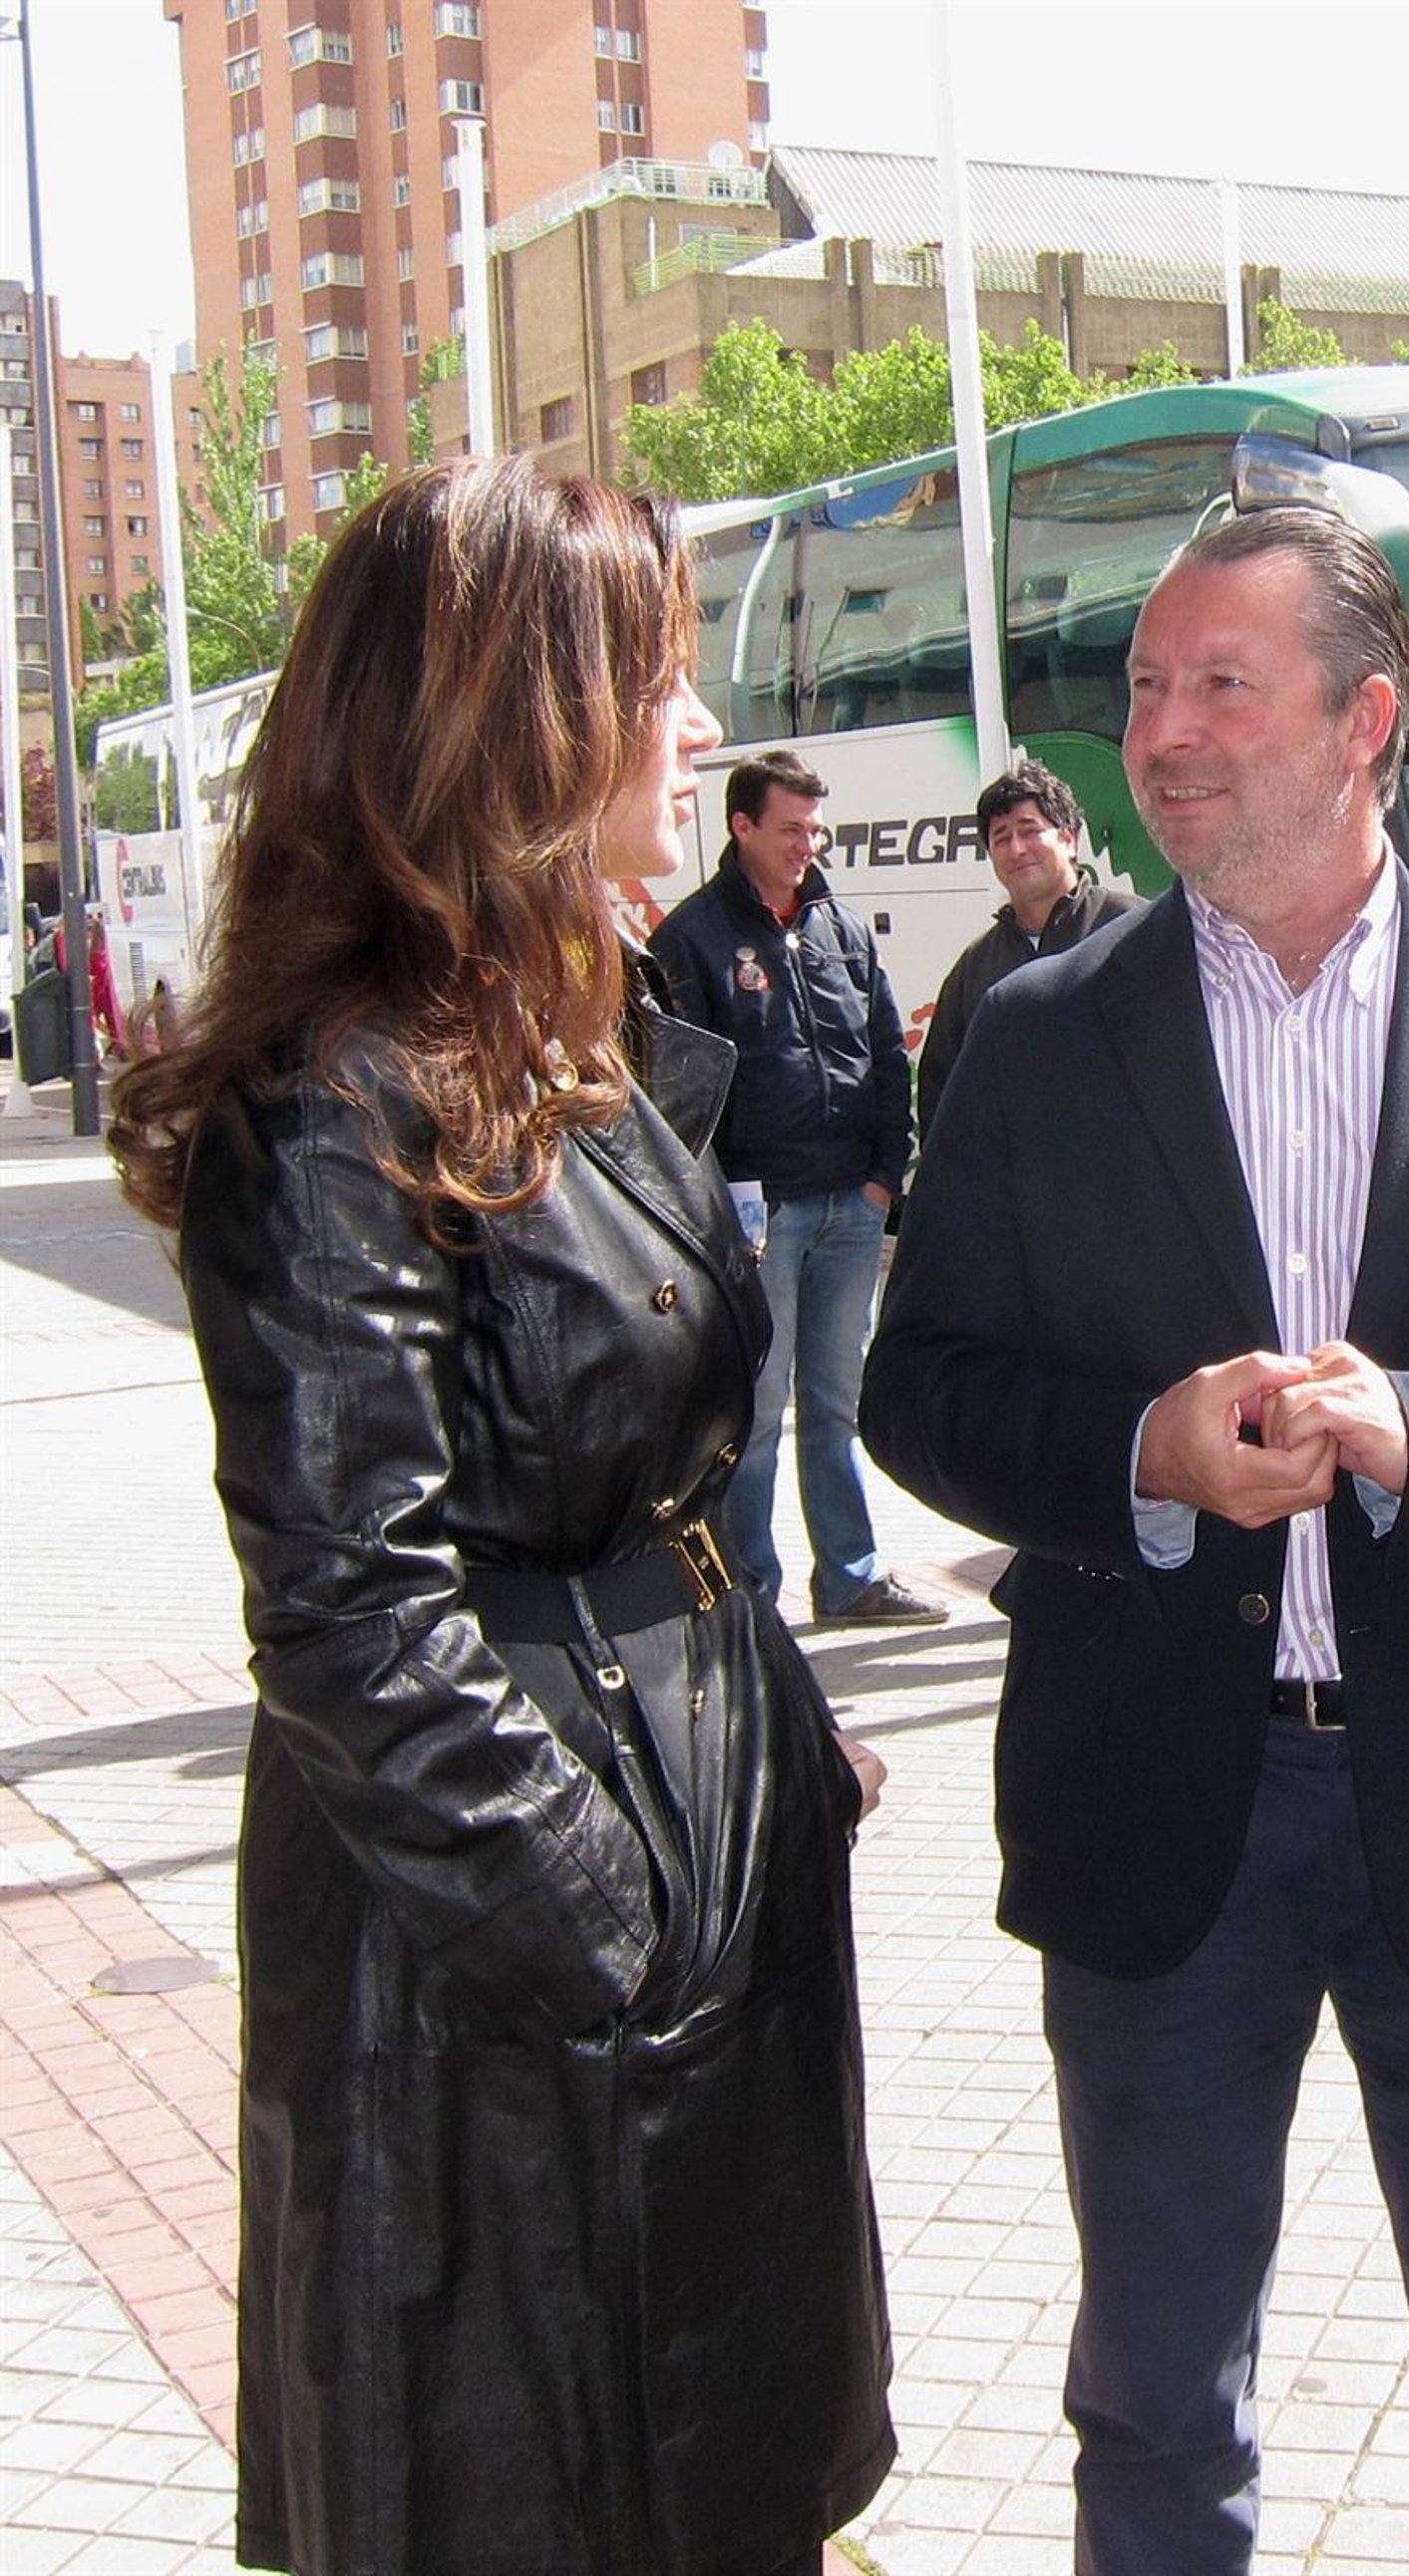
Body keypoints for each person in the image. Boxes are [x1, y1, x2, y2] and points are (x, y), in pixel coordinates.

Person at [862, 502, 1409, 2576]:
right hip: (1163, 1807)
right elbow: (921, 1386)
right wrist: (1145, 1453)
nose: (1159, 733)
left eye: (1219, 685)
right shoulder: (1039, 1035)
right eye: (1144, 688)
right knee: (1157, 2398)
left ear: (1365, 720)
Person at [109, 458, 894, 2576]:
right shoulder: (339, 1096)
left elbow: (655, 1479)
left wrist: (770, 1730)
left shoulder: (571, 1039)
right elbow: (355, 1617)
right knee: (552, 2484)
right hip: (503, 1972)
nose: (701, 727)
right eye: (658, 678)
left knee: (721, 2469)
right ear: (526, 717)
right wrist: (618, 1920)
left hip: (678, 1871)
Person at [650, 749, 945, 1629]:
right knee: (755, 1413)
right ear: (741, 827)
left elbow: (887, 1056)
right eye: (790, 829)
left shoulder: (841, 928)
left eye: (815, 829)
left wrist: (885, 1178)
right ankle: (750, 1595)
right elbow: (680, 1095)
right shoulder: (692, 939)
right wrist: (720, 1207)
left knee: (835, 1403)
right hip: (760, 1217)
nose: (807, 845)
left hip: (851, 1206)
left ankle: (850, 1577)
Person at [913, 758, 1142, 1138]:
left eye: (1029, 830)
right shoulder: (976, 966)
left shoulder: (1133, 930)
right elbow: (942, 1091)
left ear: (1070, 839)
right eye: (1001, 838)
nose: (1016, 849)